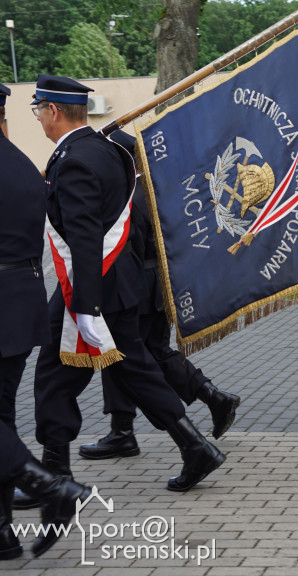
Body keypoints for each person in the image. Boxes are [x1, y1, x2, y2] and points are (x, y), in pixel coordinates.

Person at [17, 76, 224, 510]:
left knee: (54, 378)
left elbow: (85, 237)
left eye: (38, 110)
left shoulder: (74, 160)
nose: (37, 119)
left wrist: (86, 307)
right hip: (119, 283)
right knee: (135, 371)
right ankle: (195, 447)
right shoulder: (106, 149)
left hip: (93, 290)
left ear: (53, 111)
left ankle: (55, 476)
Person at [78, 130, 241, 461]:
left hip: (136, 283)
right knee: (153, 351)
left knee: (121, 353)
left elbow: (129, 248)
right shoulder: (156, 188)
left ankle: (123, 432)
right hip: (157, 283)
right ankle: (211, 396)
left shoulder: (130, 195)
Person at [0, 81, 92, 559]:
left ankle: (50, 486)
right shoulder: (23, 165)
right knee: (1, 416)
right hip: (22, 303)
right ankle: (2, 532)